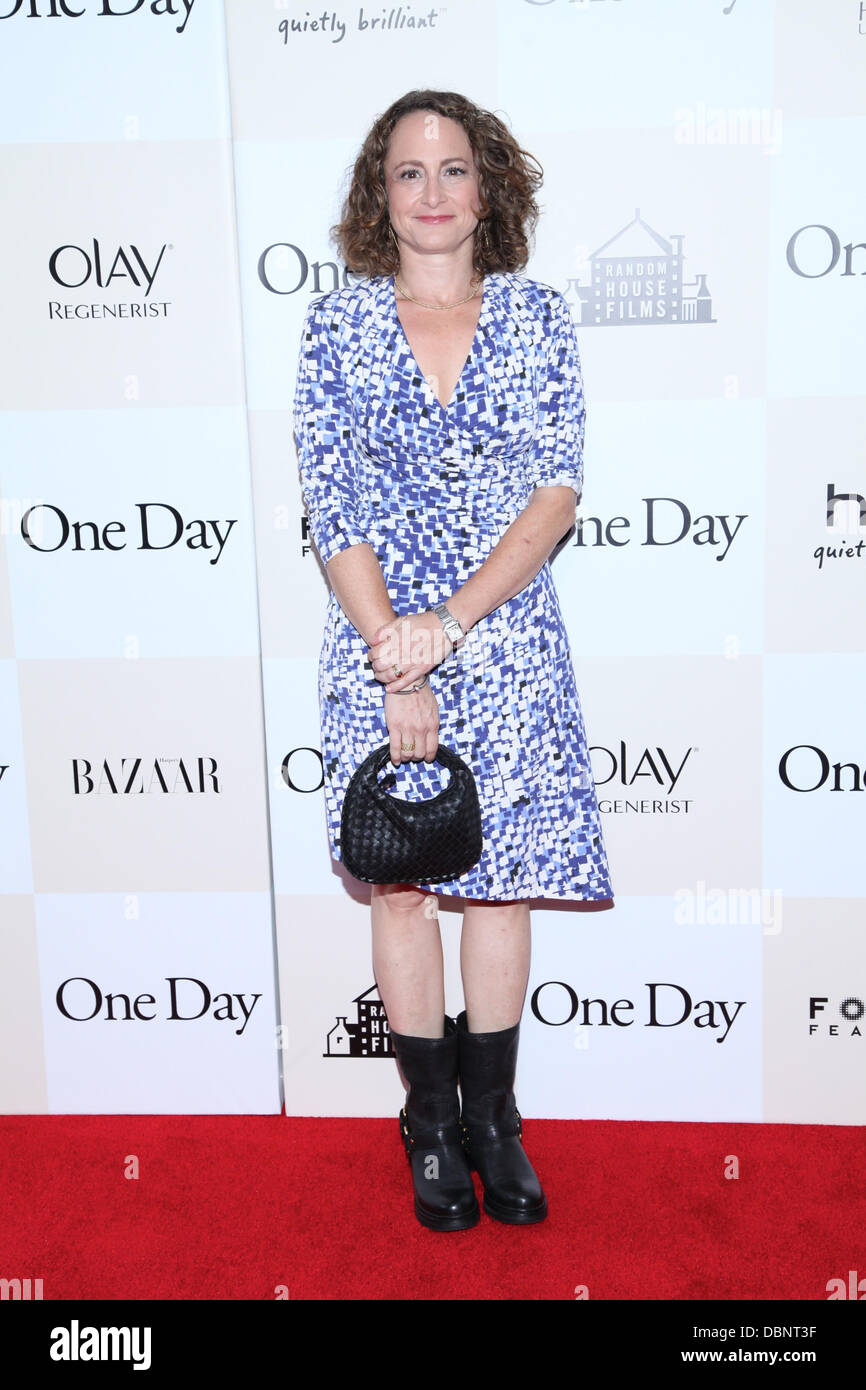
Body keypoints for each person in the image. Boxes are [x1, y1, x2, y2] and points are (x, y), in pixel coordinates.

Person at [293, 89, 614, 1233]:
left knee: (501, 889)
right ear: (379, 198)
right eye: (406, 173)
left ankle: (495, 1121)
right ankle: (428, 1127)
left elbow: (555, 491)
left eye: (452, 169)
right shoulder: (336, 328)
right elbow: (331, 497)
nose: (431, 192)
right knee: (402, 883)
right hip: (375, 641)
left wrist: (453, 626)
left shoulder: (537, 317)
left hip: (506, 636)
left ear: (490, 187)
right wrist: (400, 658)